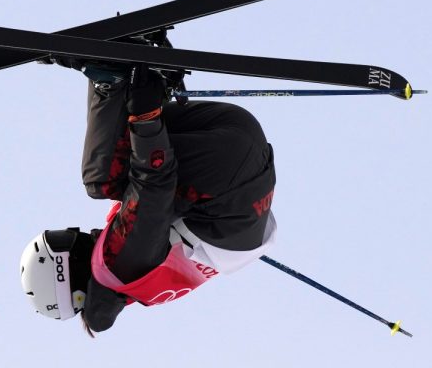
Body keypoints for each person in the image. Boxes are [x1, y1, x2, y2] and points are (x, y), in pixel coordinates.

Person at [20, 59, 276, 335]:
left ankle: (131, 70)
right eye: (65, 240)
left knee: (127, 155)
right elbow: (154, 188)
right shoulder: (115, 267)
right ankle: (109, 77)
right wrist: (146, 118)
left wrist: (148, 100)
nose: (77, 234)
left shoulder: (136, 284)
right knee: (101, 180)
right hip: (227, 173)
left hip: (245, 163)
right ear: (67, 272)